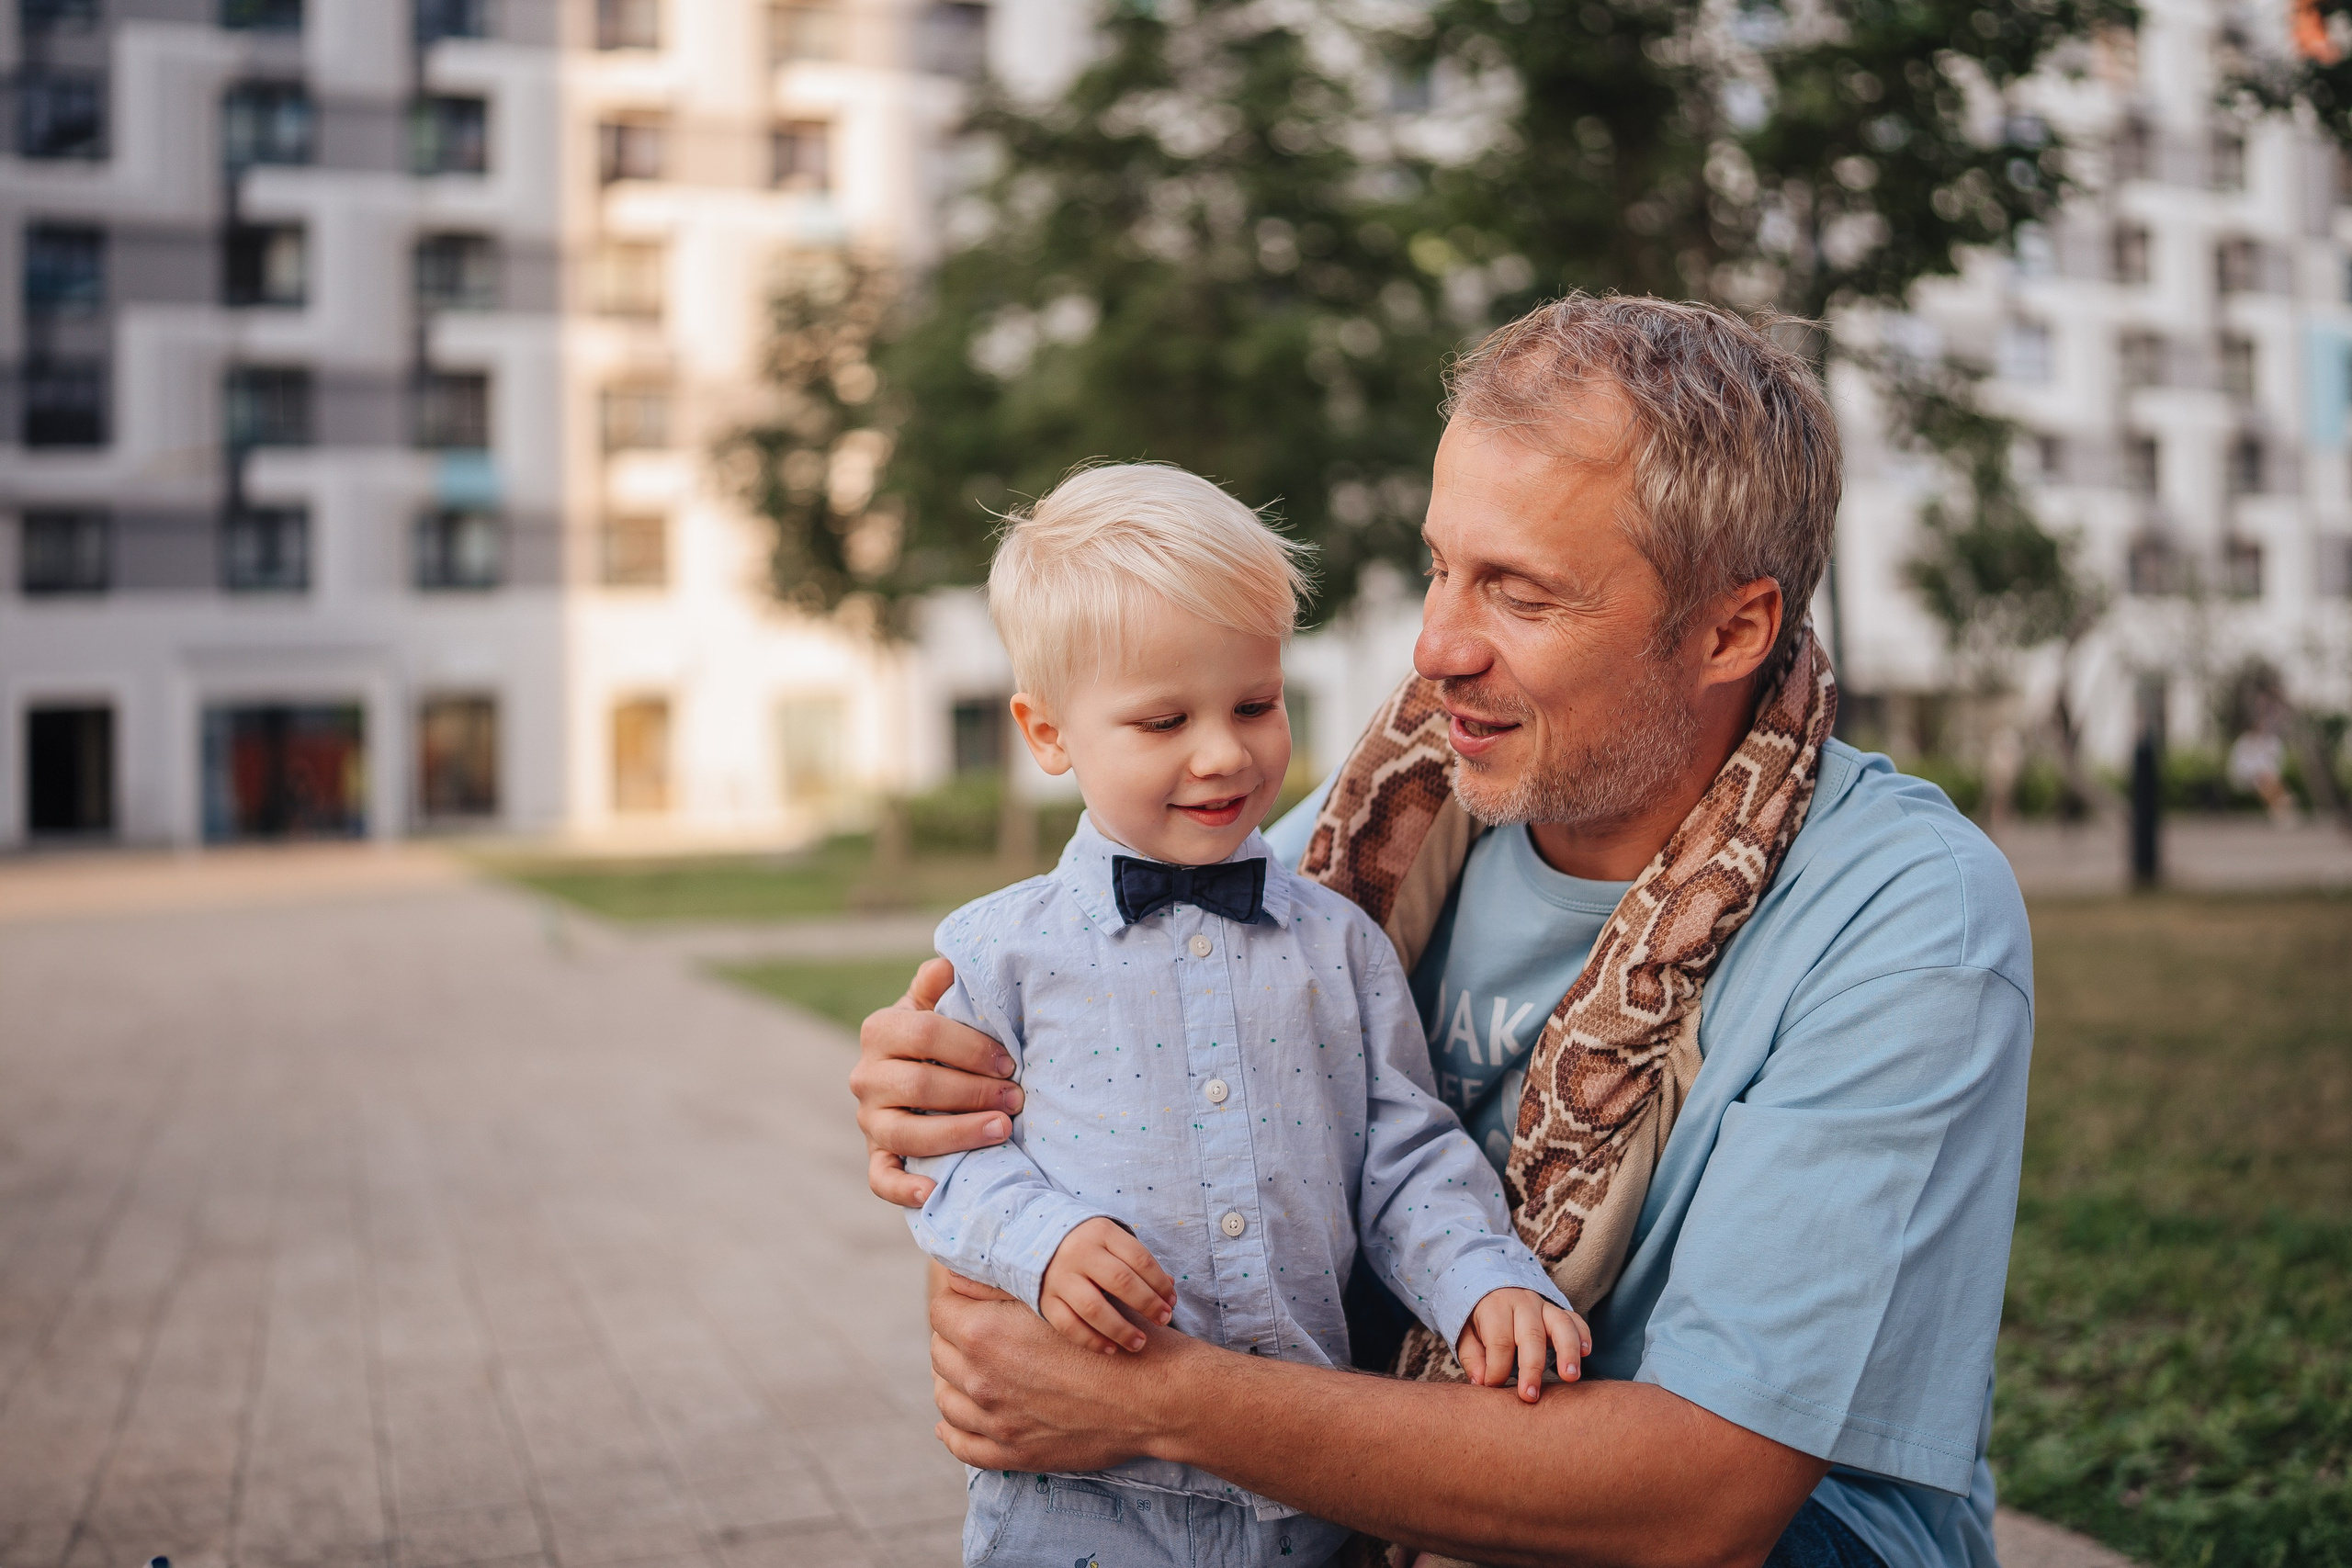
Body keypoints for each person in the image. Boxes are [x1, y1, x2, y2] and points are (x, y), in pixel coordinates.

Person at [854, 297, 2033, 1568]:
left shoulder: (1907, 912)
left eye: (1518, 592)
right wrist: (954, 1125)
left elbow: (1701, 1499)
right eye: (1441, 565)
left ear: (1730, 628)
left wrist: (1152, 1397)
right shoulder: (1349, 843)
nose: (1435, 646)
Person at [909, 462, 1586, 1568]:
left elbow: (1403, 1157)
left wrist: (1482, 1280)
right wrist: (1045, 1240)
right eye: (1164, 719)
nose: (1222, 752)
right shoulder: (996, 955)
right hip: (1081, 1503)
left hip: (1299, 1495)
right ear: (1047, 734)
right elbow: (947, 1167)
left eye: (1254, 705)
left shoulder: (1343, 944)